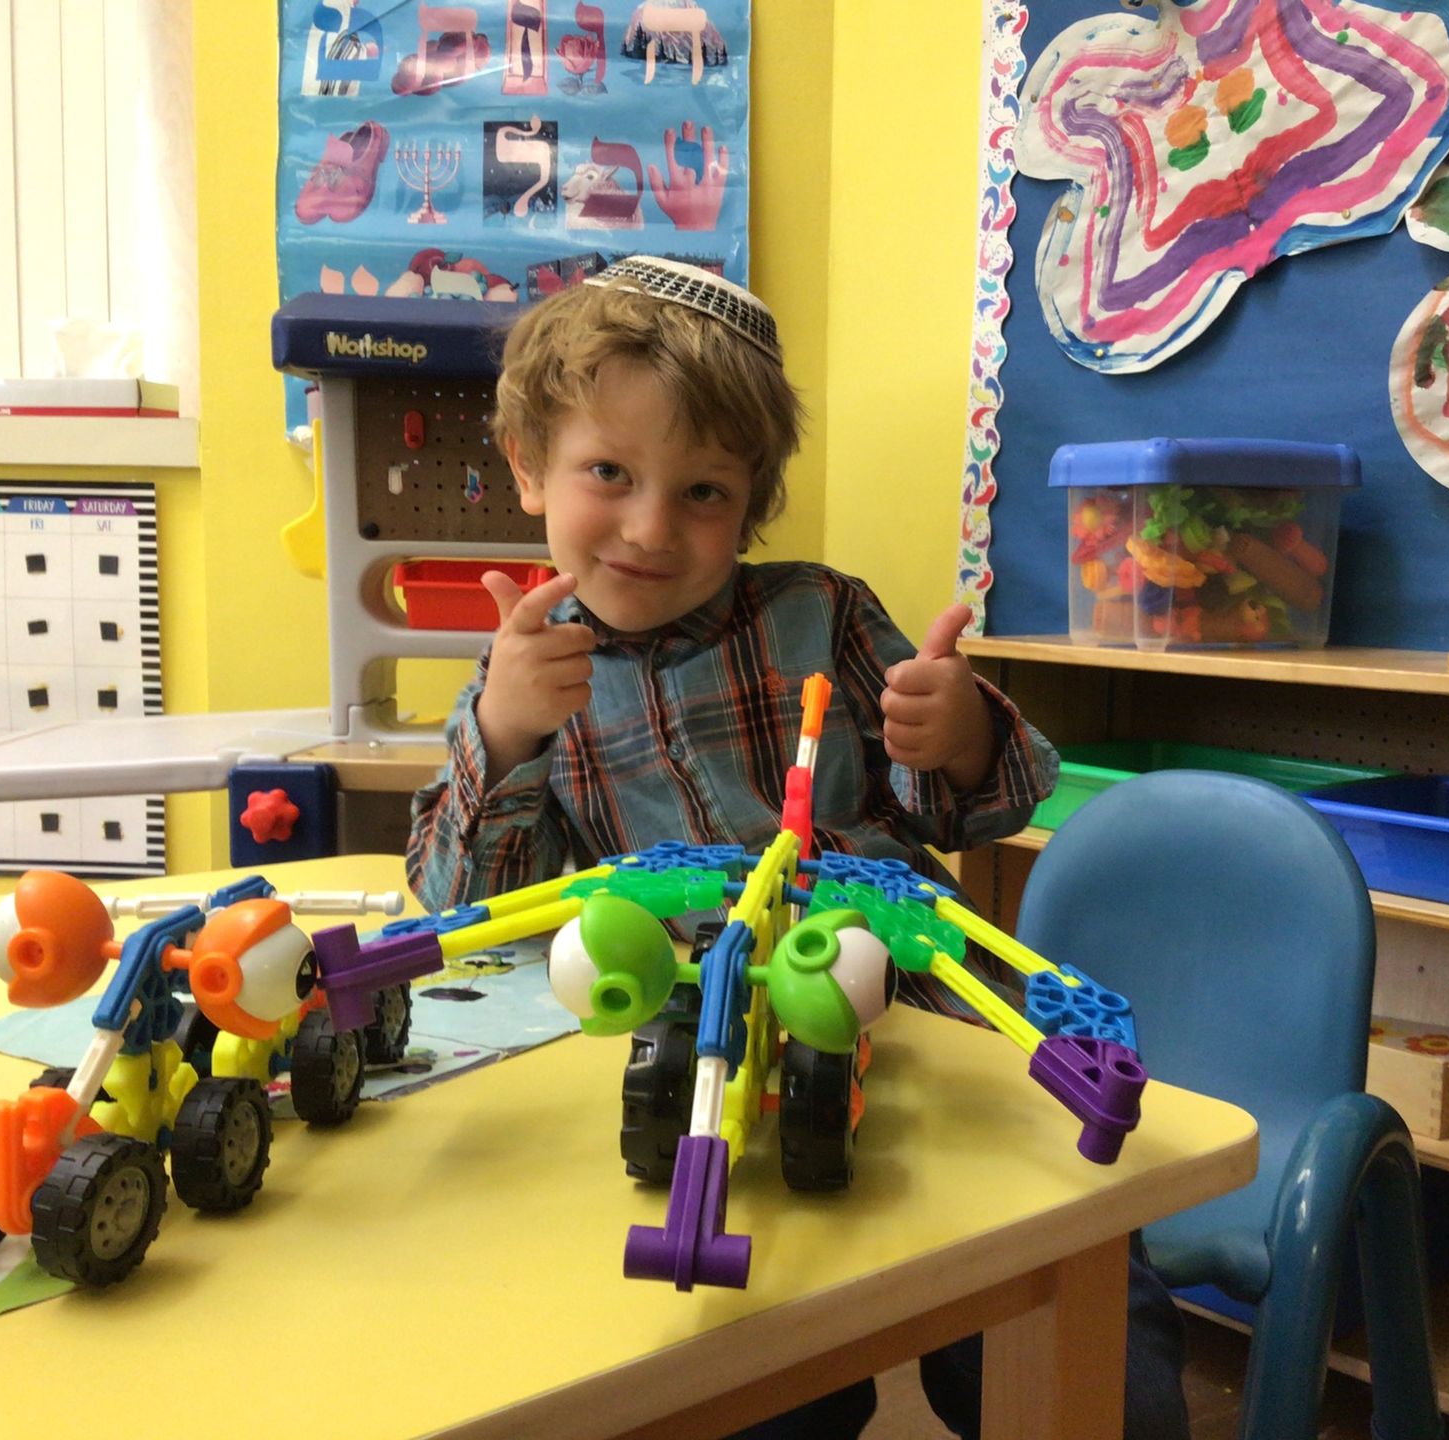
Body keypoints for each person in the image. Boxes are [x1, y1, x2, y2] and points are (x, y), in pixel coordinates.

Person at [406, 255, 1190, 1440]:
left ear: (753, 503)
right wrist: (505, 731)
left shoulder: (820, 614)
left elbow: (982, 808)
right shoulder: (526, 668)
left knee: (1071, 1333)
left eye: (705, 492)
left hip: (923, 1034)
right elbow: (463, 909)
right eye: (608, 473)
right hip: (704, 1076)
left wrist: (965, 735)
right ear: (528, 468)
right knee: (754, 1374)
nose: (650, 528)